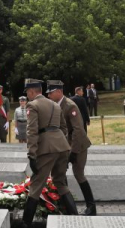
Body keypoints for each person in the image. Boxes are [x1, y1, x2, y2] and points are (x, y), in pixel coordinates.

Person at [21, 78, 76, 226]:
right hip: (62, 146)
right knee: (60, 182)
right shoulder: (55, 105)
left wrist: (32, 154)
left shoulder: (33, 105)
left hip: (46, 149)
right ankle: (76, 218)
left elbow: (32, 132)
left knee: (36, 185)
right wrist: (60, 142)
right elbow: (64, 128)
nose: (27, 95)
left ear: (32, 91)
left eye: (27, 92)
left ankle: (26, 223)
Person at [47, 80, 95, 215]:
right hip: (65, 145)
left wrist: (73, 152)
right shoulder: (55, 105)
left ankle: (91, 207)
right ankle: (67, 207)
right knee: (59, 175)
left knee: (79, 174)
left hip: (78, 145)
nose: (49, 96)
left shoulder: (69, 106)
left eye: (51, 93)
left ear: (59, 92)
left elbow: (78, 130)